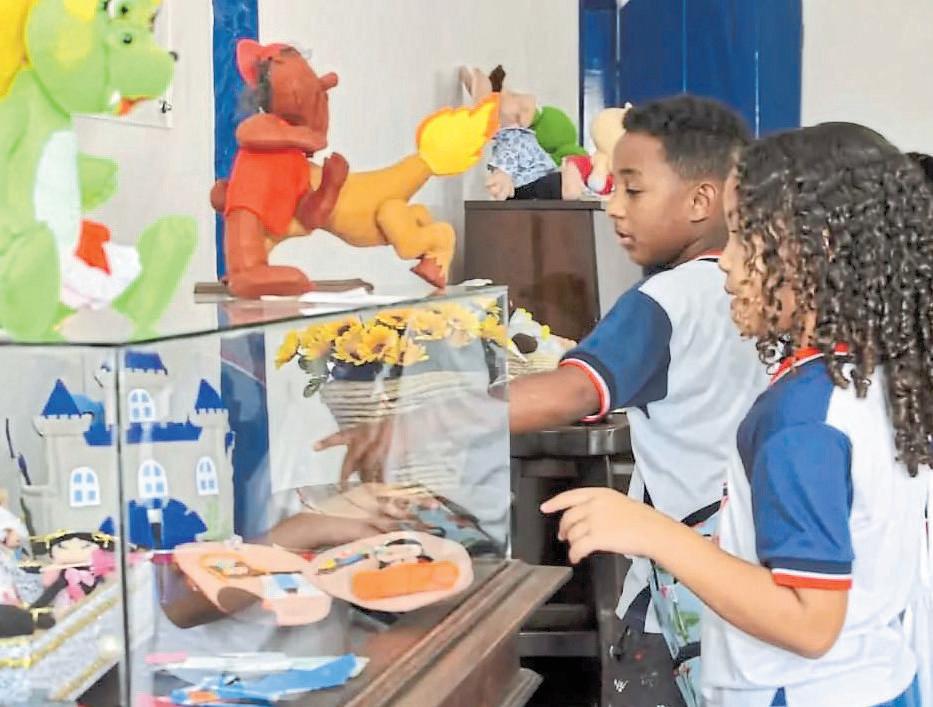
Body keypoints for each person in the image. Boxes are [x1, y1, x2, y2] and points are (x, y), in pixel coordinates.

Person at [319, 95, 770, 705]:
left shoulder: (665, 300)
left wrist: (417, 423)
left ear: (701, 200)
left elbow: (573, 390)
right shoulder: (759, 287)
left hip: (687, 576)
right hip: (748, 569)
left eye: (633, 190)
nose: (612, 206)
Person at [544, 122, 931, 706]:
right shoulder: (875, 376)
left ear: (816, 250)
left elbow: (809, 622)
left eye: (744, 238)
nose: (724, 262)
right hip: (876, 681)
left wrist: (652, 531)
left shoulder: (802, 420)